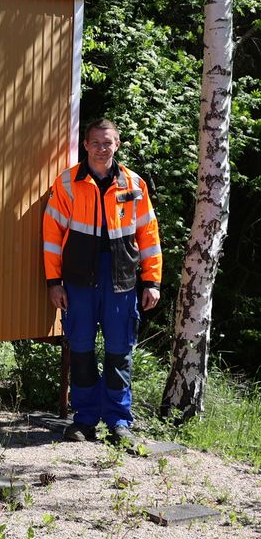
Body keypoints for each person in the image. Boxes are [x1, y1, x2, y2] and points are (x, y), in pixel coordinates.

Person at [43, 118, 162, 445]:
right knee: (80, 348)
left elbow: (148, 235)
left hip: (121, 278)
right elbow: (52, 235)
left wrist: (152, 281)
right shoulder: (68, 183)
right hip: (78, 279)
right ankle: (84, 420)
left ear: (117, 145)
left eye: (107, 142)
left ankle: (118, 422)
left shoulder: (133, 184)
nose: (100, 148)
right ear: (85, 145)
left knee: (118, 350)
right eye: (95, 142)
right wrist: (54, 281)